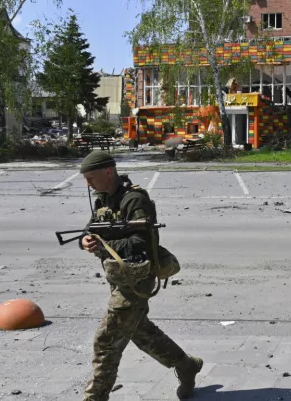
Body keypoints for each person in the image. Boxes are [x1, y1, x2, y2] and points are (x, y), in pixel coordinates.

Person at [78, 150, 202, 401]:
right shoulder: (103, 199)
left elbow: (141, 242)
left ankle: (96, 397)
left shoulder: (134, 200)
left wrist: (104, 245)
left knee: (107, 340)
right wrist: (86, 240)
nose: (88, 184)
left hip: (136, 279)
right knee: (140, 331)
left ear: (108, 171)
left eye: (91, 178)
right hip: (118, 277)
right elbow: (90, 229)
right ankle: (186, 365)